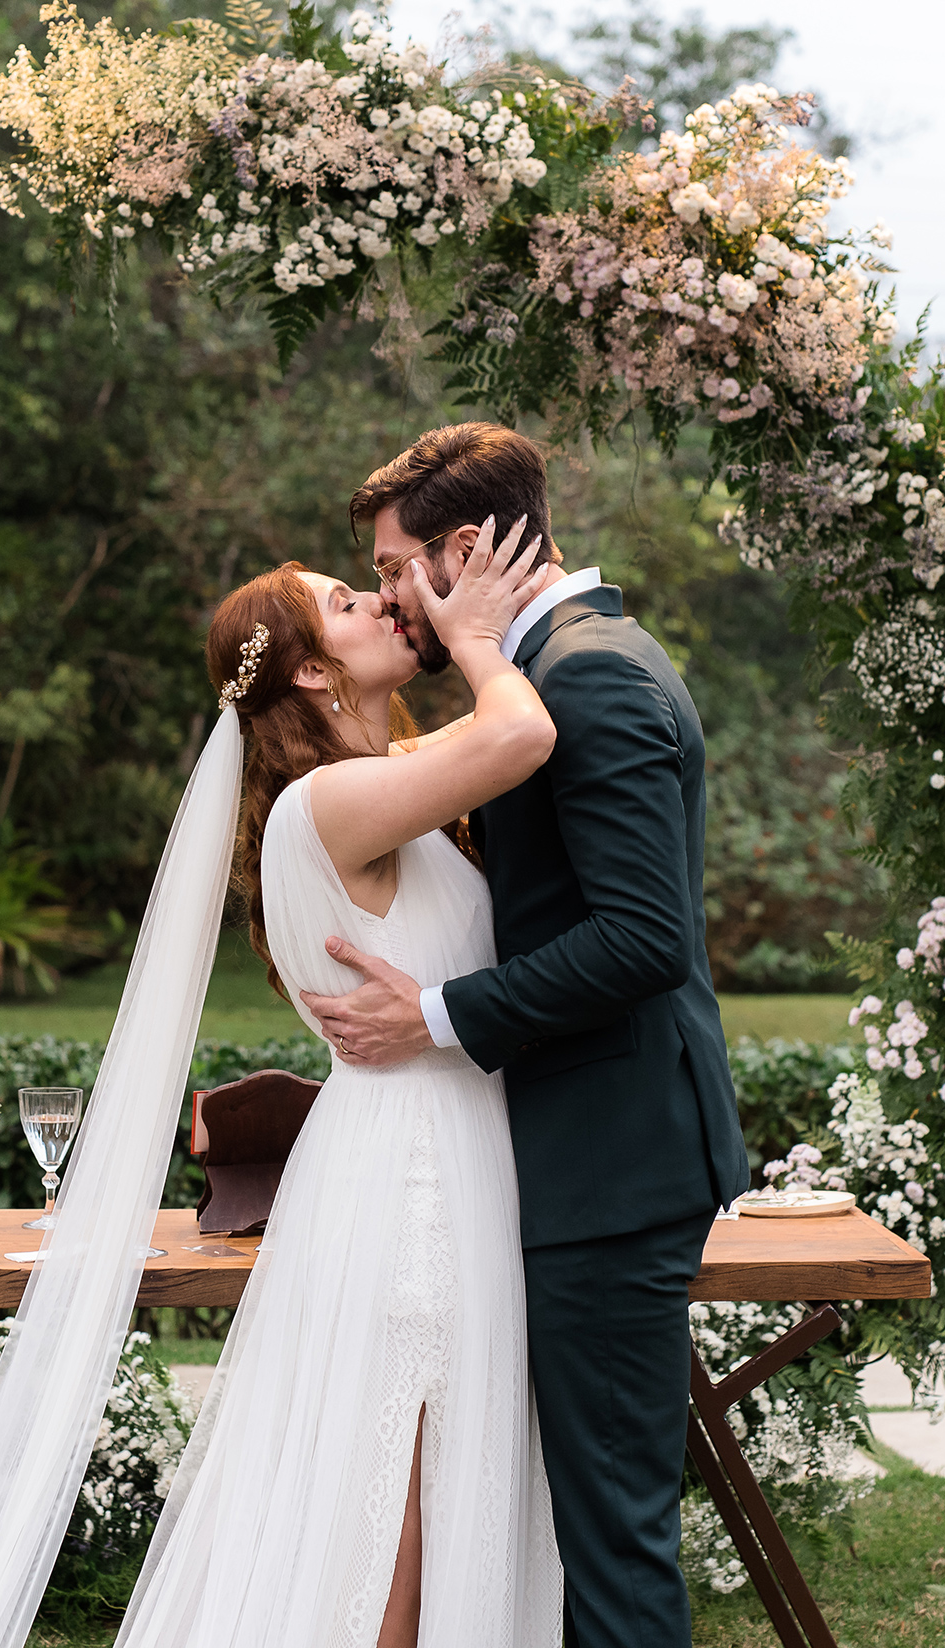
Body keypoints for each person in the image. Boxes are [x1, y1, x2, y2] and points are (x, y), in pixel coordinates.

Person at [300, 423, 751, 1648]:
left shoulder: (587, 672)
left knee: (608, 1538)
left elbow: (643, 938)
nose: (392, 597)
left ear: (460, 549)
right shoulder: (550, 663)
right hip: (589, 1157)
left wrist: (435, 1015)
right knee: (584, 1524)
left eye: (395, 568)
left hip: (610, 1164)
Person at [114, 521, 565, 1645]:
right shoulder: (328, 808)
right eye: (349, 603)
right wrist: (473, 639)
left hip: (435, 1158)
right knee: (392, 1528)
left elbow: (472, 751)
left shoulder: (376, 784)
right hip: (408, 1182)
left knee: (423, 1490)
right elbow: (517, 733)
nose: (383, 604)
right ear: (311, 667)